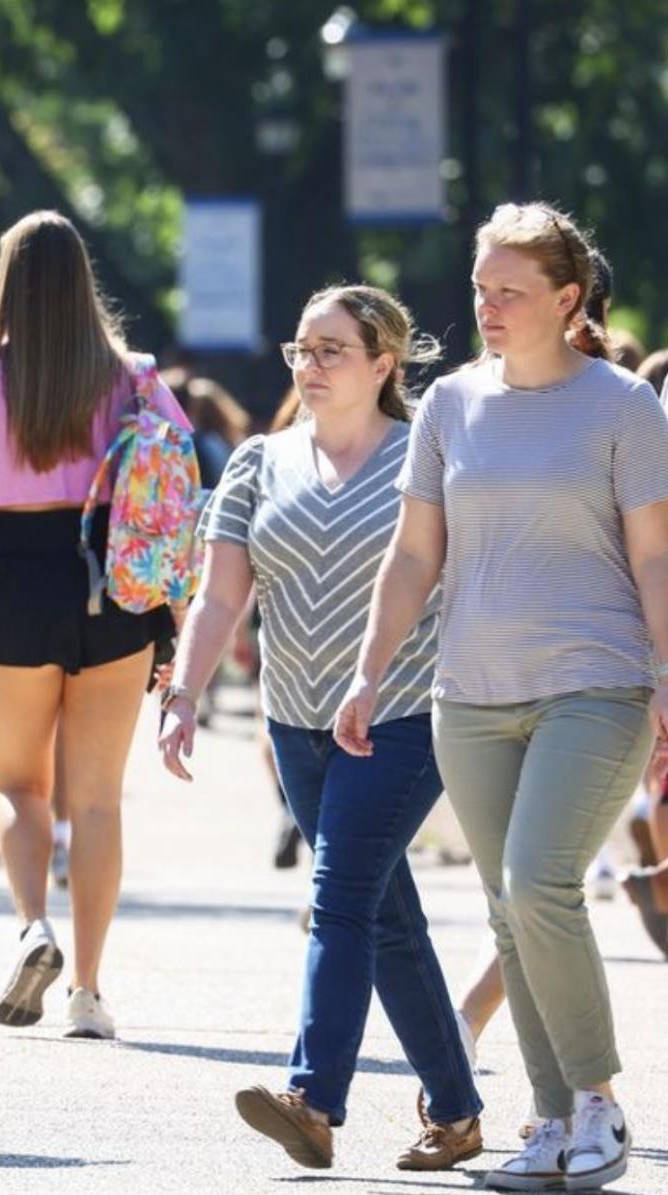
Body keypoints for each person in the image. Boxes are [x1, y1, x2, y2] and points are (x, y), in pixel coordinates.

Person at [338, 202, 668, 1193]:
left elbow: (653, 557)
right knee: (504, 911)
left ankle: (598, 1102)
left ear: (567, 300)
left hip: (595, 684)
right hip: (468, 694)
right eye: (480, 287)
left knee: (538, 883)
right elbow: (411, 555)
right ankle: (551, 1117)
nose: (484, 305)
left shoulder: (621, 406)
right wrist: (366, 670)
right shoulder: (448, 405)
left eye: (508, 291)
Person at [160, 286, 482, 1173]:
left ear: (385, 363)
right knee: (383, 917)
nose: (311, 364)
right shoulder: (260, 461)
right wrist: (184, 693)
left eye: (332, 349)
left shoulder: (428, 455)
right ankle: (456, 1112)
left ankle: (314, 1099)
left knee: (338, 895)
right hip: (294, 718)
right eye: (301, 349)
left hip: (405, 710)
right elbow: (222, 593)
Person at [0, 210, 187, 1040]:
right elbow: (174, 496)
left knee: (17, 785)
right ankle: (88, 992)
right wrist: (174, 617)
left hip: (17, 579)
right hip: (114, 585)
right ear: (84, 280)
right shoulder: (136, 377)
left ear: (5, 281)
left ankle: (32, 925)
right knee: (98, 798)